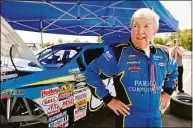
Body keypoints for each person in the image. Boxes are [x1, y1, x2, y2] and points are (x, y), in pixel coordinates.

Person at [85, 8, 178, 127]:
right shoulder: (118, 53)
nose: (139, 31)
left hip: (155, 118)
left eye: (146, 26)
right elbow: (91, 72)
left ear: (155, 30)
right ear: (131, 29)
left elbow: (174, 69)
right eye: (135, 26)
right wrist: (108, 99)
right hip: (128, 120)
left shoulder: (163, 54)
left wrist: (168, 92)